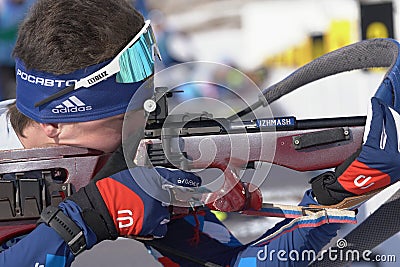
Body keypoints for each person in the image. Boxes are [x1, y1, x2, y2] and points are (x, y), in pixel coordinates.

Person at [0, 0, 399, 266]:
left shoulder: (129, 162)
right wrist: (84, 219)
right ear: (55, 125)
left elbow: (235, 261)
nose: (148, 122)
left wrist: (336, 196)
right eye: (126, 116)